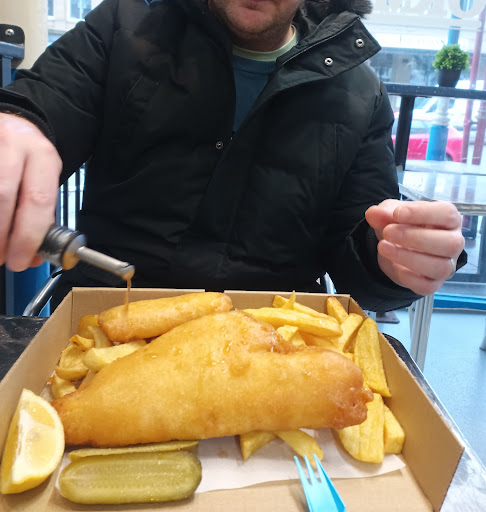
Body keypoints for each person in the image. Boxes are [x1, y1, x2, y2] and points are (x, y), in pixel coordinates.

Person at [0, 0, 465, 312]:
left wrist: (397, 260)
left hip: (271, 343)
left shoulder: (361, 95)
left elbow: (358, 260)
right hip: (109, 316)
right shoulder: (123, 25)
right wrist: (19, 124)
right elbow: (44, 103)